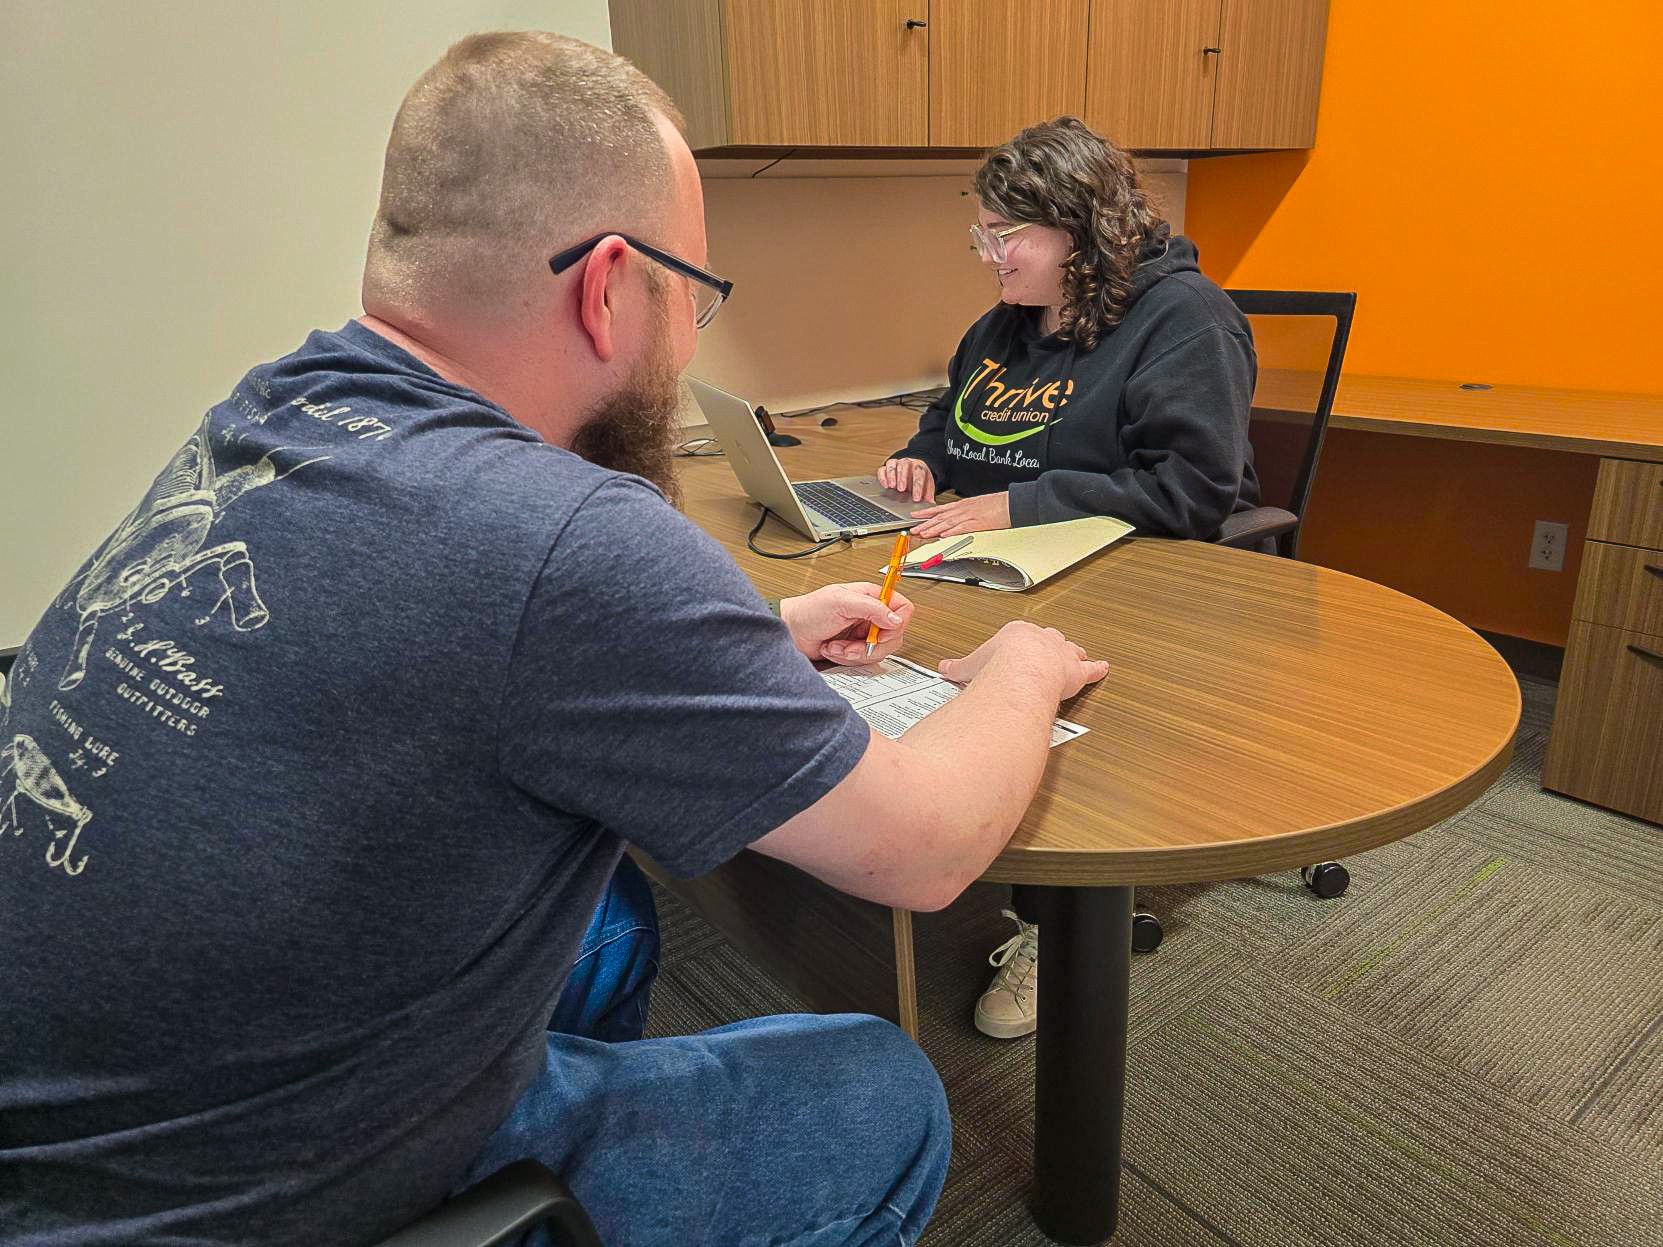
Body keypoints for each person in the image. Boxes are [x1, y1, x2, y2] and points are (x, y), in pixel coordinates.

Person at [0, 32, 1109, 1247]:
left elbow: (446, 631)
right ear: (609, 284)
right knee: (882, 1094)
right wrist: (1023, 666)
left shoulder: (280, 403)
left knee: (611, 922)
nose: (688, 341)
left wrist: (753, 632)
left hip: (72, 1122)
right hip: (228, 1202)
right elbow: (927, 851)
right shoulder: (574, 537)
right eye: (691, 297)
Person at [877, 117, 1259, 1039]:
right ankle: (920, 843)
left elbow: (1192, 488)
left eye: (1004, 235)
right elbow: (952, 416)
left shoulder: (1186, 320)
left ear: (1079, 230)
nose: (987, 256)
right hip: (1007, 566)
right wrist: (923, 457)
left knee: (1012, 695)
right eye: (981, 234)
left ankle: (1062, 923)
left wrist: (1020, 506)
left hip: (1143, 576)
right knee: (886, 663)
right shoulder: (1004, 323)